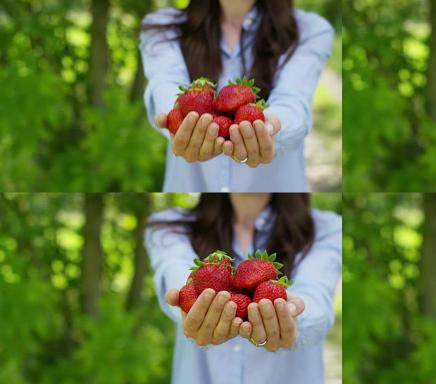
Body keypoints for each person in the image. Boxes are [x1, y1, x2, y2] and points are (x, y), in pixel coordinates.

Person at [145, 193, 342, 383]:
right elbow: (175, 270)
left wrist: (293, 316)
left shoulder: (328, 228)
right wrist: (191, 303)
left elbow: (316, 295)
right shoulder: (169, 225)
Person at [140, 0, 334, 192]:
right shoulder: (162, 28)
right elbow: (165, 84)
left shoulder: (310, 30)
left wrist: (269, 127)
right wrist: (178, 120)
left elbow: (293, 99)